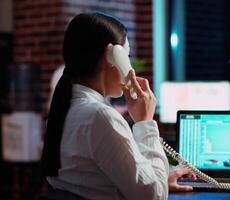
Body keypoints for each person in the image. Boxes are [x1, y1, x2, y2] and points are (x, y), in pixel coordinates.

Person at [41, 13, 195, 200]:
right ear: (112, 56)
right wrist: (145, 122)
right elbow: (153, 196)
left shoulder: (65, 110)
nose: (130, 65)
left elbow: (98, 183)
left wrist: (160, 178)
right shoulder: (100, 117)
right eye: (127, 56)